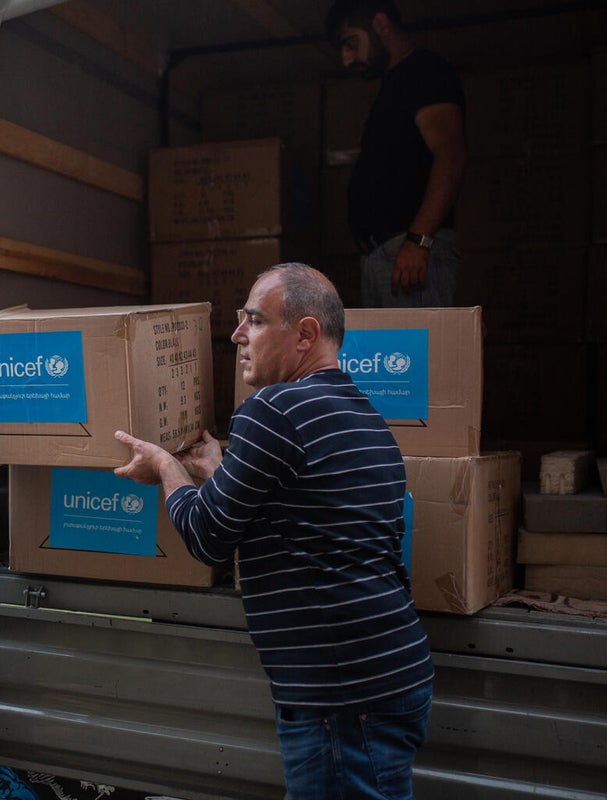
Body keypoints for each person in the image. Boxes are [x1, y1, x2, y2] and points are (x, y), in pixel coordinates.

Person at [114, 263, 433, 799]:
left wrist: (165, 468)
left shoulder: (273, 410)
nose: (237, 335)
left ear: (305, 334)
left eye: (255, 321)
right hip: (390, 673)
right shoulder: (364, 417)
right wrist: (218, 468)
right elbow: (303, 511)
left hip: (339, 695)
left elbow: (207, 536)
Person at [327, 0, 467, 308]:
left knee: (420, 357)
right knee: (389, 356)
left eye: (350, 42)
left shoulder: (423, 71)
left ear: (380, 24)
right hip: (388, 256)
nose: (346, 59)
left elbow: (451, 155)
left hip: (411, 254)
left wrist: (419, 240)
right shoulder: (394, 84)